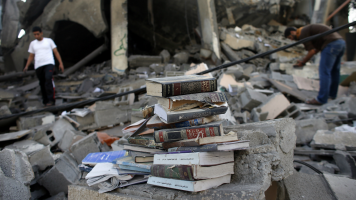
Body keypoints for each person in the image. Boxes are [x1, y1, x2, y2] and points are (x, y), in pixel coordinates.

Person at [284, 24, 346, 105]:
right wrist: (304, 60)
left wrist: (303, 62)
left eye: (290, 37)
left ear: (293, 32)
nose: (292, 40)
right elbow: (316, 49)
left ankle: (321, 99)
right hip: (340, 43)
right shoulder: (307, 30)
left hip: (331, 45)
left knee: (324, 72)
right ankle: (332, 94)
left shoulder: (302, 33)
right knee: (334, 71)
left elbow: (312, 51)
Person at [23, 26, 64, 106]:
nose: (36, 36)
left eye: (38, 34)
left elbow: (55, 52)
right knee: (42, 83)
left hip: (49, 63)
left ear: (41, 33)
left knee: (48, 79)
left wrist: (60, 63)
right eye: (35, 35)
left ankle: (51, 100)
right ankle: (45, 101)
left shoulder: (49, 41)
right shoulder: (33, 44)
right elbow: (31, 56)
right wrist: (26, 66)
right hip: (38, 65)